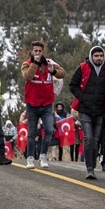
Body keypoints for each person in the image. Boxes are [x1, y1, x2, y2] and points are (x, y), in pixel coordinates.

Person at [69, 45, 105, 179]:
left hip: (100, 111)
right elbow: (73, 85)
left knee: (95, 141)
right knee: (88, 138)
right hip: (85, 110)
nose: (99, 58)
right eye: (96, 56)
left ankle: (92, 164)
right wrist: (83, 98)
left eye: (101, 55)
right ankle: (89, 168)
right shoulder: (83, 68)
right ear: (91, 56)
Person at [21, 40, 65, 169]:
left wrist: (53, 72)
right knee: (32, 132)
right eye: (35, 51)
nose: (38, 53)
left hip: (46, 104)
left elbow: (63, 73)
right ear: (32, 51)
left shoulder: (50, 63)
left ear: (43, 52)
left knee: (49, 130)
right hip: (32, 104)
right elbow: (27, 76)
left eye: (40, 51)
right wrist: (35, 63)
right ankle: (30, 158)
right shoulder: (27, 64)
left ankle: (43, 155)